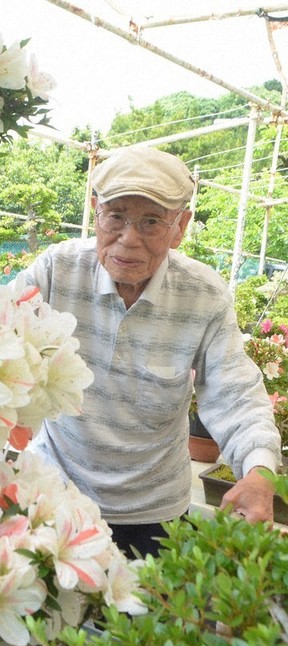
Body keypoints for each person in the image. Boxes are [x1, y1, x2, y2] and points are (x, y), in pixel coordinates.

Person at [21, 145, 281, 558]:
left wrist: (260, 469)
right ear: (95, 210)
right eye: (117, 216)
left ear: (180, 227)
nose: (129, 238)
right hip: (56, 493)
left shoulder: (204, 295)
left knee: (145, 613)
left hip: (155, 510)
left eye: (151, 221)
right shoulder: (57, 271)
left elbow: (234, 392)